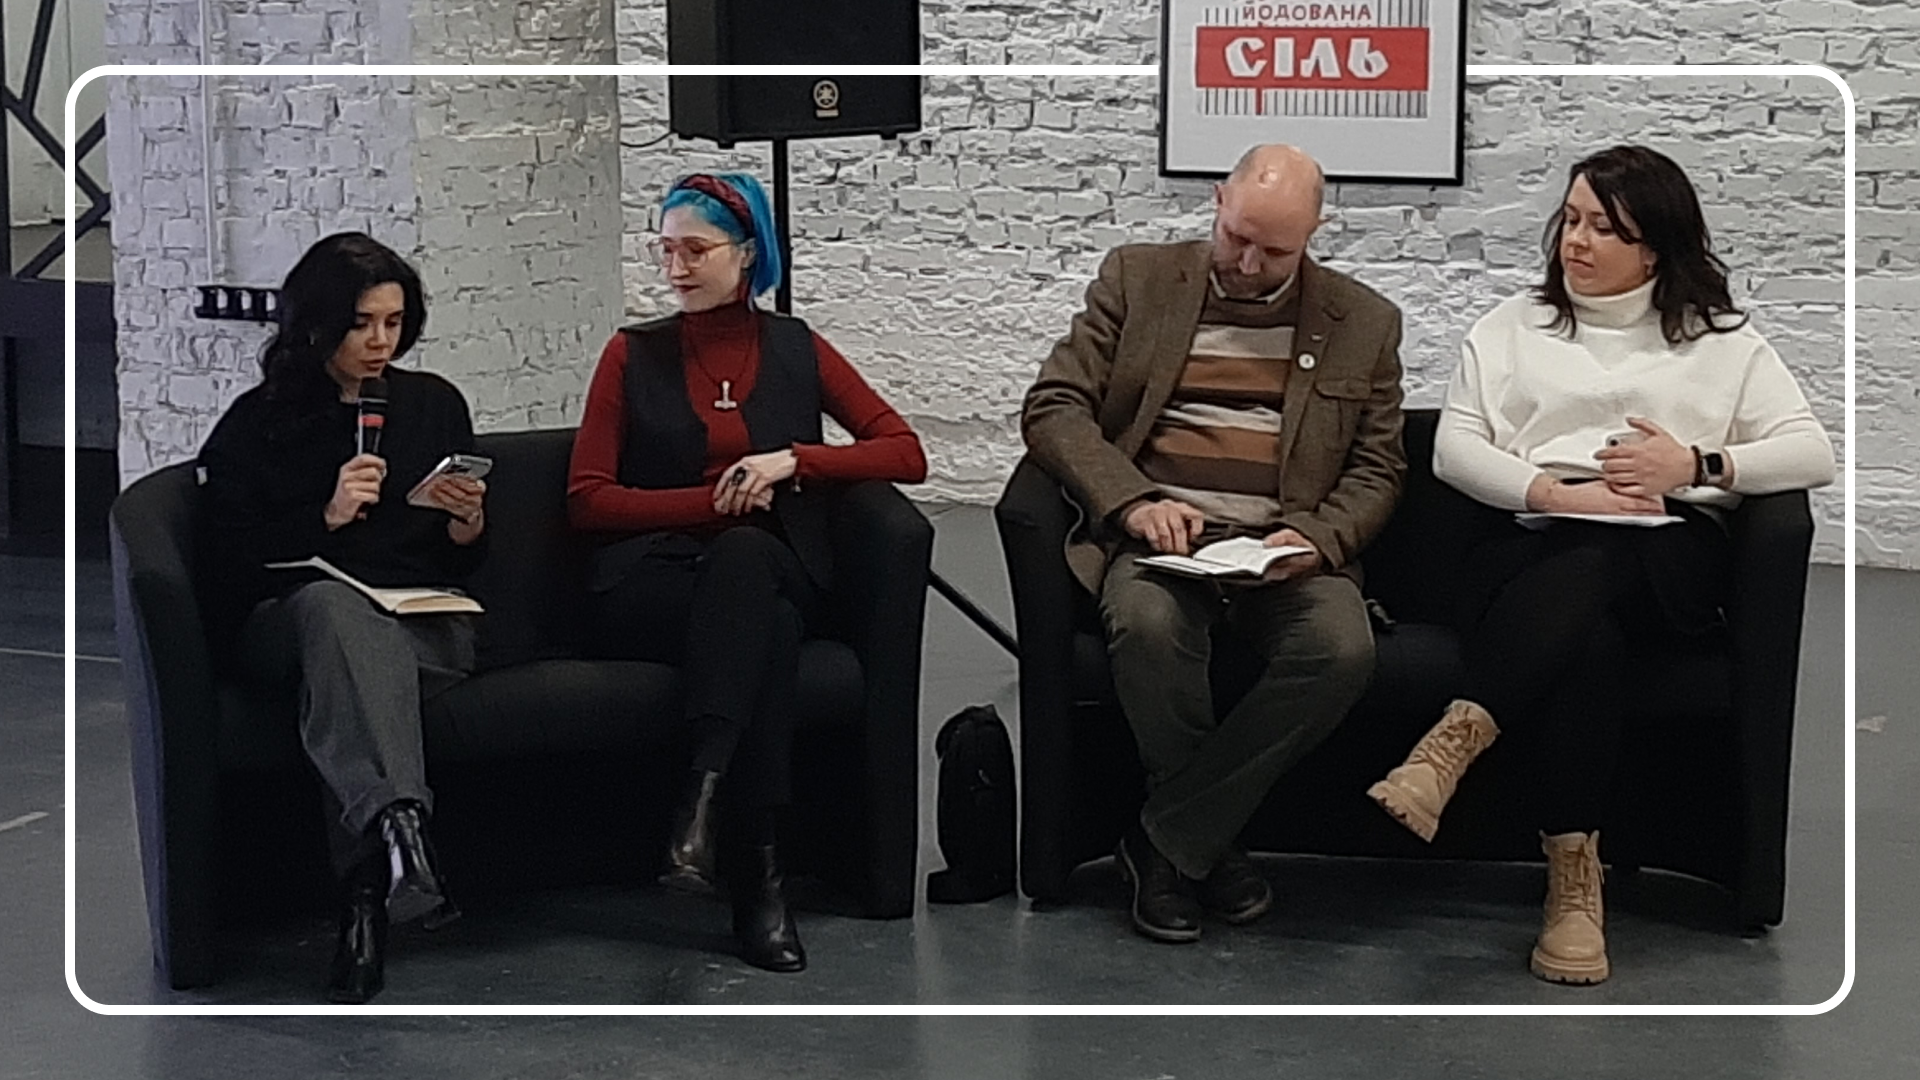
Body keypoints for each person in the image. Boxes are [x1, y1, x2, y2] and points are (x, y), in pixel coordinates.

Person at [1365, 145, 1837, 985]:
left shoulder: (1722, 342)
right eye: (1572, 220)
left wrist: (1695, 465)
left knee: (1616, 545)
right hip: (1530, 540)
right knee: (1587, 638)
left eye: (1604, 229)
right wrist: (1556, 491)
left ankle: (1458, 736)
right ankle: (1573, 887)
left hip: (1667, 555)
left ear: (1654, 249)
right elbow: (1455, 449)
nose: (1575, 242)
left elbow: (1811, 452)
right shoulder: (1512, 326)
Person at [1020, 144, 1406, 944]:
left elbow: (1379, 468)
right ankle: (1202, 846)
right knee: (1148, 626)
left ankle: (1164, 841)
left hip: (1282, 549)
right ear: (1218, 200)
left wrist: (1320, 537)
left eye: (1276, 251)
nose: (1250, 264)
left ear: (1315, 233)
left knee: (1341, 649)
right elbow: (1055, 406)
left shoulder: (1363, 322)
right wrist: (1132, 502)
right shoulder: (1137, 279)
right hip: (1161, 542)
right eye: (1238, 238)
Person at [567, 171, 927, 973]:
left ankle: (703, 800)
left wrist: (791, 460)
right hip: (655, 577)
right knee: (769, 619)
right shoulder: (631, 354)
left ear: (748, 253)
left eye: (695, 250)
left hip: (761, 562)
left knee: (747, 562)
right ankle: (758, 876)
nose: (676, 268)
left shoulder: (796, 347)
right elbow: (588, 500)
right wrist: (712, 501)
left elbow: (905, 452)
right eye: (665, 250)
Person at [197, 232, 491, 1004]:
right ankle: (401, 834)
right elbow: (224, 559)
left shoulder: (434, 404)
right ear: (318, 323)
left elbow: (461, 564)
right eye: (362, 324)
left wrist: (466, 525)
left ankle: (374, 880)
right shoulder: (258, 422)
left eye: (394, 323)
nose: (380, 342)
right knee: (338, 618)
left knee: (357, 671)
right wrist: (323, 519)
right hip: (294, 621)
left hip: (421, 624)